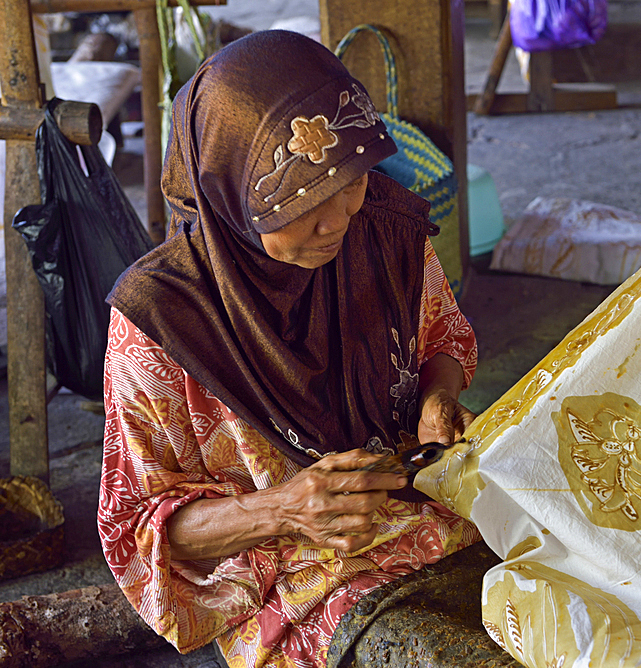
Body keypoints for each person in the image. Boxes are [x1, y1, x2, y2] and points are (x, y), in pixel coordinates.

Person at [98, 30, 481, 668]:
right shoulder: (163, 323)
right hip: (297, 581)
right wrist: (282, 509)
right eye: (301, 204)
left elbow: (437, 336)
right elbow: (139, 533)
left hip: (435, 510)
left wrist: (437, 398)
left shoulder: (383, 227)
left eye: (351, 184)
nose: (338, 220)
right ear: (229, 195)